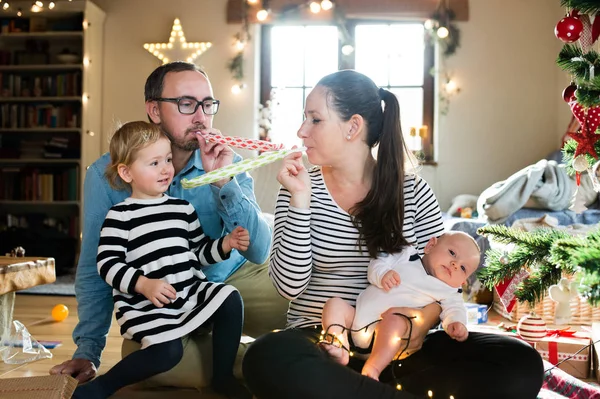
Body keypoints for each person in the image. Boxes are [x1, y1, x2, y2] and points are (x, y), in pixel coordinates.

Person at [242, 70, 544, 399]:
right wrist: (300, 202)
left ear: (353, 127)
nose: (301, 131)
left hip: (399, 347)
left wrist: (419, 324)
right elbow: (289, 287)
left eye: (315, 119)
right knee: (264, 357)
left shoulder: (412, 190)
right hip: (325, 345)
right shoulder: (297, 187)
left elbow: (441, 283)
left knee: (520, 362)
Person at [50, 61, 288, 384]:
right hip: (160, 298)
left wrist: (222, 180)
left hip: (229, 278)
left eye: (207, 104)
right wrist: (88, 351)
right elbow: (97, 268)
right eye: (186, 104)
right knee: (151, 363)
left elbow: (259, 250)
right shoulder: (108, 175)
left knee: (311, 304)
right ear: (154, 110)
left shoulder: (226, 162)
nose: (201, 116)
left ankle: (299, 357)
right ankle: (269, 364)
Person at [73, 121, 251, 399]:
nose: (167, 168)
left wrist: (225, 244)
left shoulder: (182, 209)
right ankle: (104, 386)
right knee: (168, 353)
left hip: (189, 291)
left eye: (167, 159)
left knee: (229, 298)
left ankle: (222, 376)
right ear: (126, 172)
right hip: (147, 305)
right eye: (154, 163)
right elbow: (107, 265)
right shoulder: (120, 216)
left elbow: (200, 253)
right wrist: (143, 284)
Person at [320, 231, 480, 381]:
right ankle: (338, 345)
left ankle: (372, 369)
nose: (454, 264)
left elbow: (455, 309)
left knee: (394, 320)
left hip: (390, 339)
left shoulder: (450, 290)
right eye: (452, 253)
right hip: (355, 322)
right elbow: (377, 264)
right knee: (334, 305)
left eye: (463, 268)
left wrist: (456, 323)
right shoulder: (405, 255)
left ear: (463, 281)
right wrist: (382, 274)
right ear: (431, 245)